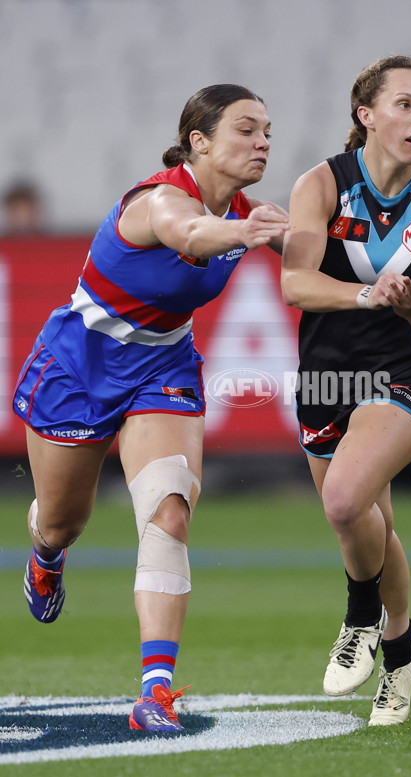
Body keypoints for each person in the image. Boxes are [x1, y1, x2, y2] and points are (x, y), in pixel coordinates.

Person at [13, 84, 288, 732]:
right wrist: (249, 232)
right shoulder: (159, 199)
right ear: (199, 141)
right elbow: (188, 233)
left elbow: (311, 264)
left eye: (268, 131)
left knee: (169, 507)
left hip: (162, 365)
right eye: (246, 129)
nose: (263, 142)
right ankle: (46, 557)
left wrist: (376, 284)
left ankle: (154, 691)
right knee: (62, 522)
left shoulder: (248, 211)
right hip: (81, 363)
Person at [281, 55, 411, 726]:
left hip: (408, 370)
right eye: (405, 104)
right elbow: (294, 282)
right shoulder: (321, 185)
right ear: (366, 115)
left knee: (343, 499)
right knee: (370, 524)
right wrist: (370, 293)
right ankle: (402, 649)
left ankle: (362, 617)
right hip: (328, 372)